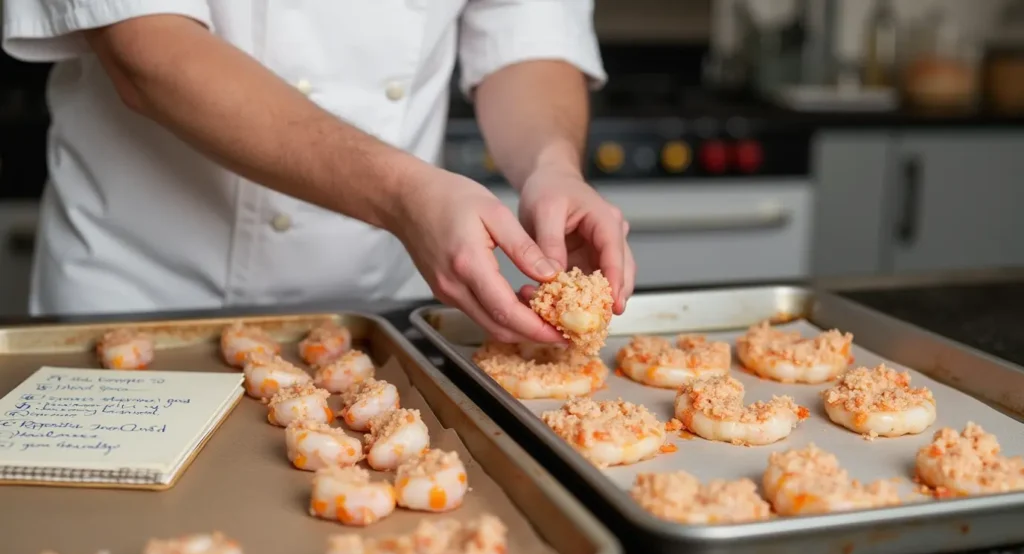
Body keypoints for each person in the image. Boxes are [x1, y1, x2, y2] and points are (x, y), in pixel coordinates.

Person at [1, 1, 635, 344]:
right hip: (145, 298)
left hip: (376, 311)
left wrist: (553, 166)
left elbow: (524, 37)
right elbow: (148, 49)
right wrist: (401, 193)